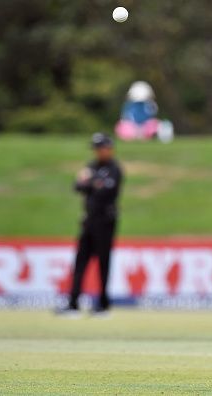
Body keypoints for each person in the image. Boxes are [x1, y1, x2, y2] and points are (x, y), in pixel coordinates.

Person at [58, 133, 123, 316]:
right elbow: (78, 186)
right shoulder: (92, 166)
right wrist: (91, 183)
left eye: (101, 148)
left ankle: (102, 304)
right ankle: (73, 303)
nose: (98, 152)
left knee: (103, 262)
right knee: (80, 262)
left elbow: (106, 191)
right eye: (96, 148)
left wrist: (90, 182)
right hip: (89, 220)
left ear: (109, 148)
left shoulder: (114, 169)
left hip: (105, 221)